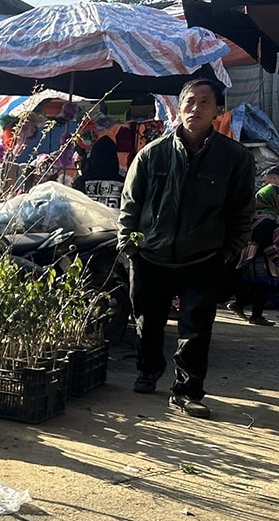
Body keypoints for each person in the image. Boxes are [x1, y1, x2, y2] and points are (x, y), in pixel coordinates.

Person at [118, 78, 255, 419]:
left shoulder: (234, 158)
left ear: (217, 110)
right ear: (178, 109)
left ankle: (187, 391)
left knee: (196, 327)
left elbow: (242, 210)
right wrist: (129, 245)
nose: (196, 108)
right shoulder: (152, 154)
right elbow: (130, 203)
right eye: (189, 102)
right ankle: (149, 370)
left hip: (204, 256)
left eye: (205, 102)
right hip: (150, 254)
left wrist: (229, 250)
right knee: (147, 322)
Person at [228, 182, 279, 325]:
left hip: (247, 255)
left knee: (252, 286)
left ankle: (239, 303)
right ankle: (256, 316)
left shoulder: (253, 215)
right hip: (259, 258)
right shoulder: (268, 218)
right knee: (261, 287)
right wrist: (276, 260)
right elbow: (266, 242)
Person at [73, 135, 124, 209]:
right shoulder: (123, 182)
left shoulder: (81, 182)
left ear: (93, 156)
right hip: (113, 220)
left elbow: (74, 207)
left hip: (86, 220)